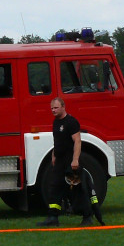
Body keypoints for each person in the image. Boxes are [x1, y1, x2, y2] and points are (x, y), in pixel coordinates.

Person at [38, 97, 91, 227]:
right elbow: (57, 141)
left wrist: (75, 160)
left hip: (70, 160)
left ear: (63, 107)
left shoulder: (71, 122)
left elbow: (77, 141)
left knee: (77, 189)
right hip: (59, 160)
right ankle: (53, 216)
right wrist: (53, 155)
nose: (53, 110)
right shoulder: (56, 122)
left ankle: (87, 217)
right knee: (54, 187)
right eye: (51, 108)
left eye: (56, 108)